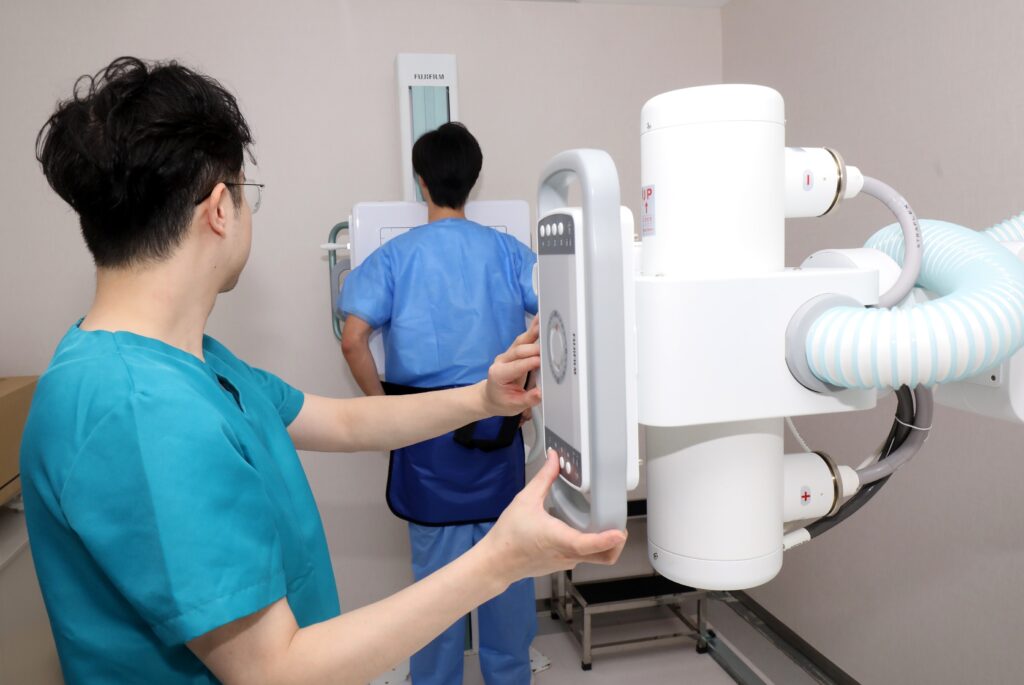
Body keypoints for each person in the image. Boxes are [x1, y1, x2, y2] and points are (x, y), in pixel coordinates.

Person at [21, 56, 626, 685]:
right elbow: (272, 672)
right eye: (248, 193)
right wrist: (501, 560)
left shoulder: (190, 362)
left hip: (445, 459)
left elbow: (341, 421)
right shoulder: (142, 411)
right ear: (221, 209)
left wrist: (482, 398)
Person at [340, 122, 539, 684]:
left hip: (425, 441)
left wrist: (385, 413)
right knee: (508, 573)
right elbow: (561, 316)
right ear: (473, 180)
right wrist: (528, 393)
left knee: (434, 597)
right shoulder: (510, 253)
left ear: (421, 181)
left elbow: (353, 340)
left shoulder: (394, 258)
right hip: (497, 435)